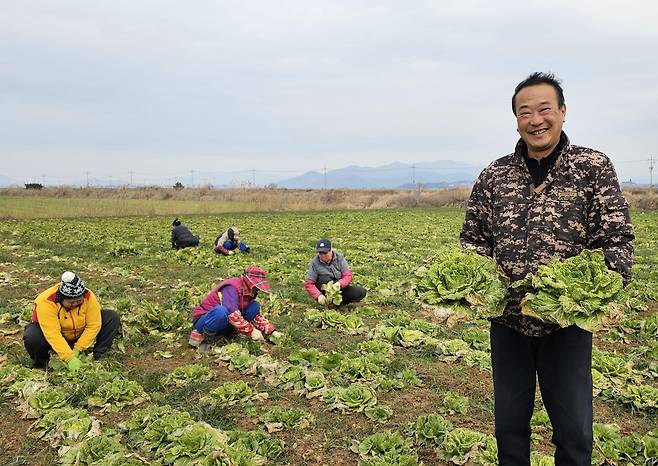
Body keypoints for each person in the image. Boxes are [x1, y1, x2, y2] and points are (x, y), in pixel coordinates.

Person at [460, 72, 634, 466]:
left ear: (562, 112)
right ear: (516, 120)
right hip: (508, 322)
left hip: (566, 326)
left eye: (544, 109)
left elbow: (617, 239)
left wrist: (588, 294)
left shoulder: (592, 167)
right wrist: (478, 287)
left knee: (574, 432)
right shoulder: (494, 175)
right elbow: (473, 240)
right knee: (509, 428)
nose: (535, 119)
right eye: (525, 112)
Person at [23, 271, 121, 371]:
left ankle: (99, 356)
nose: (75, 304)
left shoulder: (89, 296)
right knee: (32, 334)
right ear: (61, 298)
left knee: (111, 317)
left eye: (79, 301)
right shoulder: (46, 301)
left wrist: (78, 348)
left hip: (79, 333)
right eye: (71, 302)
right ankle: (41, 364)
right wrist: (69, 358)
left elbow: (93, 325)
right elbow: (53, 334)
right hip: (57, 337)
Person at [188, 266, 282, 347]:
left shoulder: (250, 292)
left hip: (225, 319)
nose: (258, 289)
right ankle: (205, 337)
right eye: (257, 286)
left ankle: (226, 333)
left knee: (254, 306)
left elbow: (256, 317)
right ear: (250, 282)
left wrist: (272, 331)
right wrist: (251, 331)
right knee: (220, 312)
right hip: (206, 319)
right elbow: (233, 315)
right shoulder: (232, 287)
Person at [304, 238, 366, 307]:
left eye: (325, 253)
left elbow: (347, 275)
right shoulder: (314, 263)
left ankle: (340, 302)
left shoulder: (340, 258)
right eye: (320, 253)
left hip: (339, 288)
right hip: (325, 290)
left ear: (331, 250)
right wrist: (318, 296)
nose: (323, 255)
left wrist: (339, 284)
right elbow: (309, 283)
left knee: (360, 292)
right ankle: (328, 302)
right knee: (324, 279)